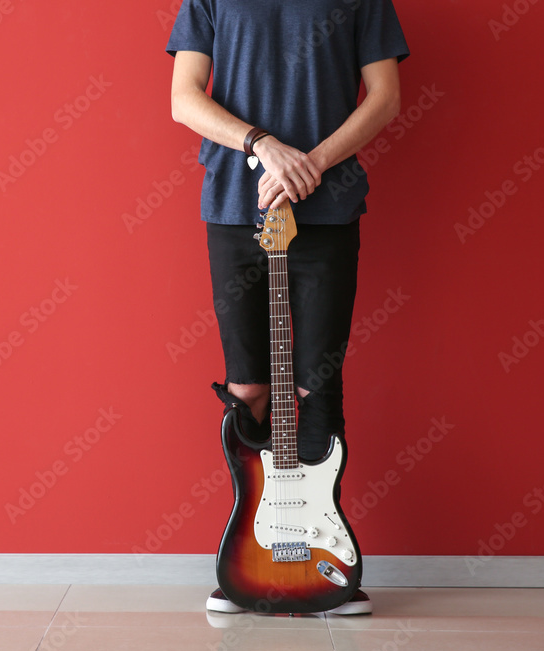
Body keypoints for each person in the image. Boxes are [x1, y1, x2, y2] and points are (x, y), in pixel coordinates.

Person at [166, 0, 409, 615]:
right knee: (248, 389)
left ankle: (321, 567)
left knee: (316, 386)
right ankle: (251, 556)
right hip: (232, 206)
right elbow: (184, 97)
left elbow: (384, 97)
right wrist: (264, 144)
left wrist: (312, 163)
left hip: (327, 211)